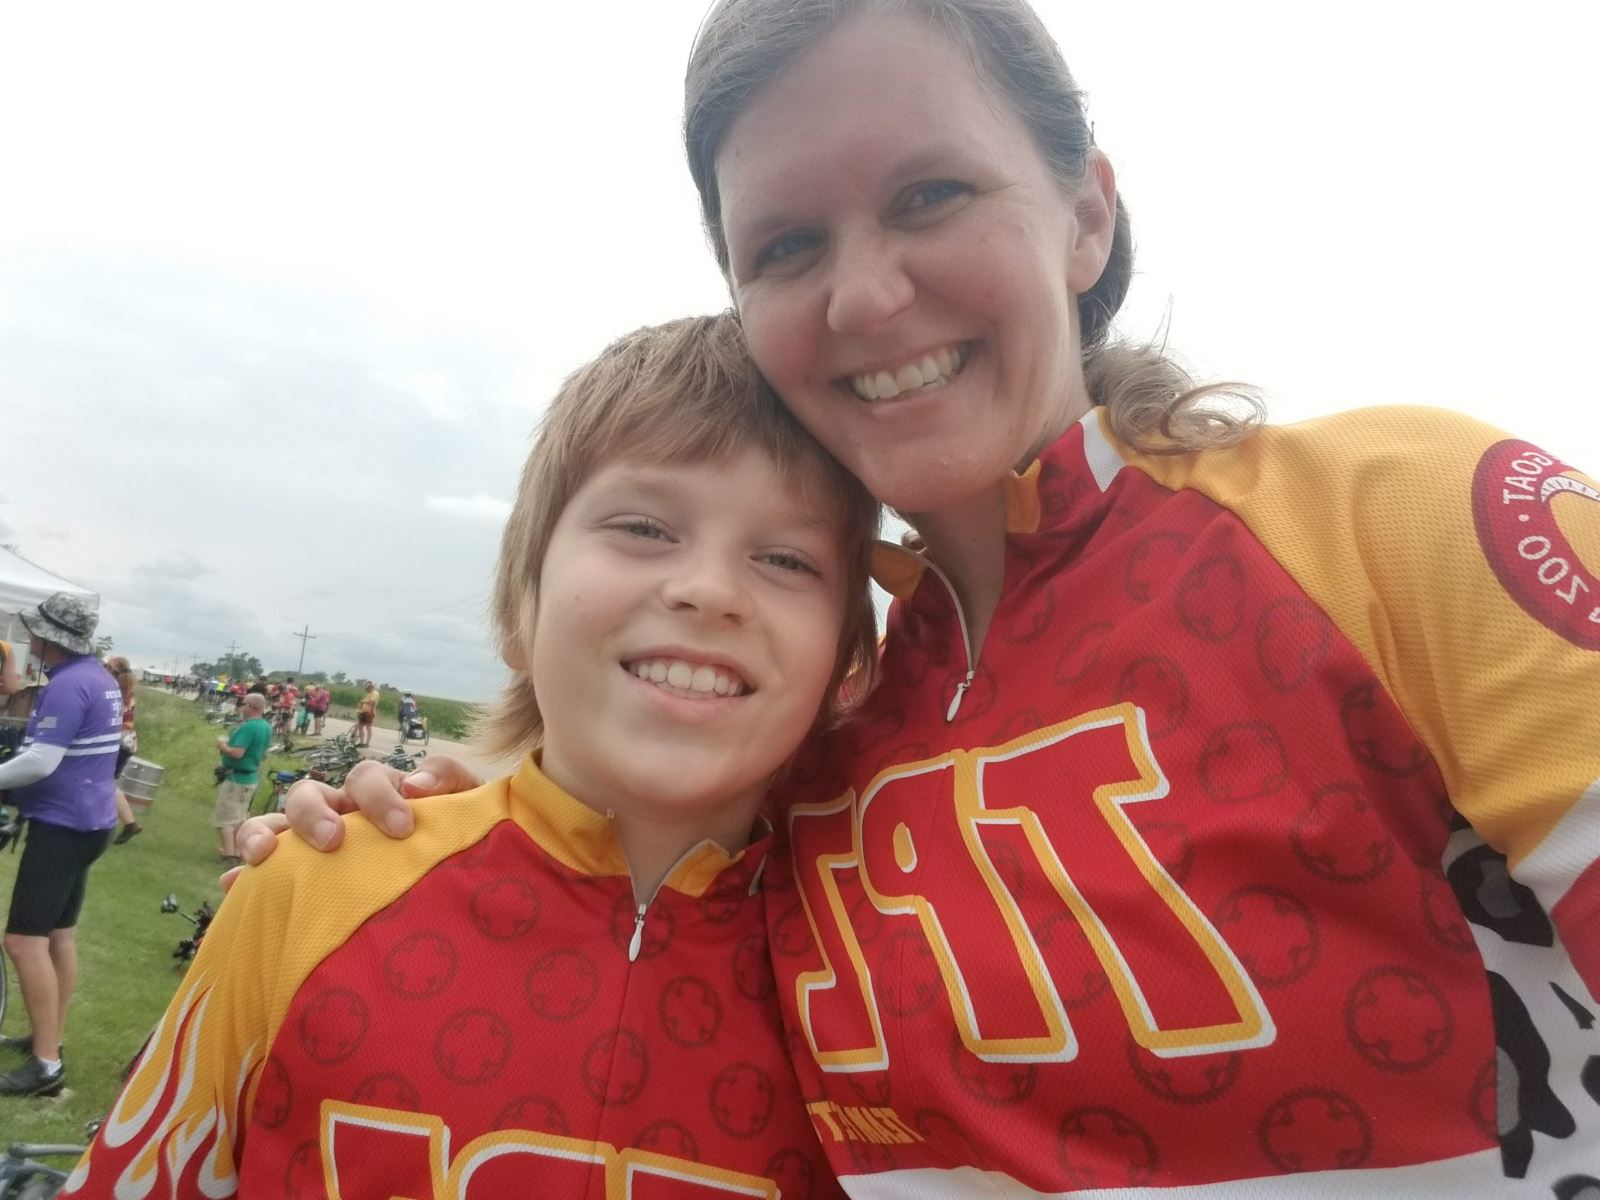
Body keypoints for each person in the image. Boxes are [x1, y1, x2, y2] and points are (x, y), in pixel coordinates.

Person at [246, 0, 1600, 1192]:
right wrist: (399, 830)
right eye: (784, 247)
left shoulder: (1395, 518)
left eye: (932, 194)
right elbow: (605, 862)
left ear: (1084, 213)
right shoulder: (829, 755)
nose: (868, 293)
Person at [71, 313, 877, 1196]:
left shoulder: (885, 972)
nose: (711, 590)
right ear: (515, 609)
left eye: (787, 558)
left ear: (847, 663)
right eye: (645, 527)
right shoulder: (311, 890)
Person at [0, 593, 120, 1098]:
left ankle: (46, 1069)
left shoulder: (68, 686)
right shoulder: (101, 677)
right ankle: (50, 1039)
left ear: (49, 638)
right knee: (58, 937)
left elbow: (40, 761)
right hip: (92, 823)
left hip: (63, 824)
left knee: (23, 941)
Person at [214, 692, 271, 866]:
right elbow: (265, 754)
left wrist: (223, 746)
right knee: (239, 818)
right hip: (251, 777)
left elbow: (238, 753)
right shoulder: (266, 727)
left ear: (252, 707)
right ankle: (238, 851)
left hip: (237, 779)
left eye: (243, 703)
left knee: (225, 818)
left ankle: (229, 856)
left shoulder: (249, 727)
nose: (240, 706)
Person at [104, 656, 143, 844]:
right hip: (126, 740)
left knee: (105, 782)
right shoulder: (126, 690)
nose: (103, 668)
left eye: (107, 666)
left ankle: (129, 823)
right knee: (106, 781)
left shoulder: (114, 690)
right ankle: (129, 824)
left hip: (117, 740)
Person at [354, 678, 378, 746]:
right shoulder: (369, 694)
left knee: (368, 727)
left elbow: (372, 701)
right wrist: (360, 705)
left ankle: (367, 743)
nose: (366, 690)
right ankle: (361, 742)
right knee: (361, 727)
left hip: (369, 712)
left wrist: (363, 702)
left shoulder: (375, 693)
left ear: (370, 687)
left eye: (367, 688)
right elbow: (365, 701)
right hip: (364, 712)